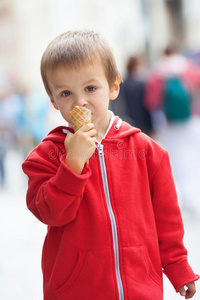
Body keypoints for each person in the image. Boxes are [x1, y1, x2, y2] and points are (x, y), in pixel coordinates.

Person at [22, 30, 199, 300]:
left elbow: (167, 219)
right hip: (75, 292)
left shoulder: (147, 151)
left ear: (114, 86)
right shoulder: (45, 156)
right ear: (53, 101)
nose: (80, 101)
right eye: (66, 93)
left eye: (90, 88)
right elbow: (50, 213)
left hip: (140, 288)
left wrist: (177, 266)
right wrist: (73, 162)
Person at [110, 55, 153, 136]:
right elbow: (147, 106)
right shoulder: (140, 84)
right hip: (142, 122)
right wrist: (151, 125)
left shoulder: (122, 84)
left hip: (127, 121)